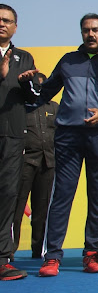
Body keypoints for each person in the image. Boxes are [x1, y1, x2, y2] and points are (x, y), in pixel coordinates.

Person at [25, 14, 98, 276]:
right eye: (86, 30)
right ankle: (52, 257)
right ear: (81, 33)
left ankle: (92, 254)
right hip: (67, 136)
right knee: (61, 195)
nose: (90, 34)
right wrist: (26, 83)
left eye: (95, 30)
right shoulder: (68, 60)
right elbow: (43, 93)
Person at [0, 3, 37, 280]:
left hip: (12, 134)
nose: (2, 23)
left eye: (7, 20)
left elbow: (34, 97)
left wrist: (27, 85)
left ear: (15, 27)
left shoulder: (23, 58)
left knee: (7, 196)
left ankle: (3, 259)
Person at [12, 73, 58, 260]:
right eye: (35, 87)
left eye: (41, 86)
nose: (38, 90)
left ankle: (39, 251)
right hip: (24, 163)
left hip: (48, 163)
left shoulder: (54, 107)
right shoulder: (19, 108)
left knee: (42, 210)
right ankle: (8, 252)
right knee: (15, 209)